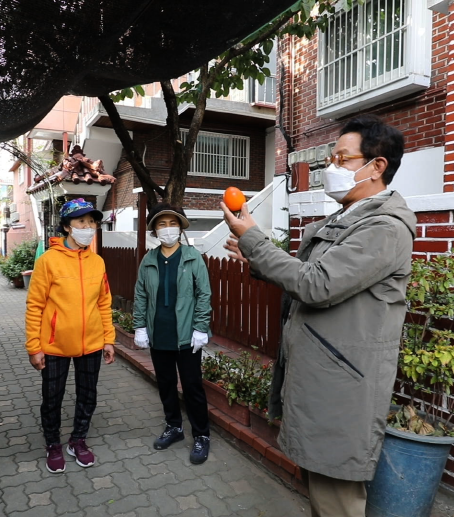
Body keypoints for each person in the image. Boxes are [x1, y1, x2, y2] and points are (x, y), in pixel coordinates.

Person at [221, 114, 416, 517]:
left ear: (377, 166)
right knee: (321, 489)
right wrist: (257, 257)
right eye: (331, 159)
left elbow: (316, 284)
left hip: (344, 385)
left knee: (336, 498)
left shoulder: (384, 228)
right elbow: (308, 276)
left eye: (342, 159)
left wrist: (254, 240)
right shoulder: (345, 219)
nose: (332, 168)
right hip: (324, 376)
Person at [24, 198, 116, 474]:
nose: (88, 227)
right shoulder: (48, 261)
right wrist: (34, 347)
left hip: (92, 343)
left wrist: (108, 339)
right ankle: (53, 443)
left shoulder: (98, 262)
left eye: (91, 222)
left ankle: (78, 440)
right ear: (67, 226)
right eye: (81, 222)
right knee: (52, 397)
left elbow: (104, 303)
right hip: (54, 345)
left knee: (88, 395)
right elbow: (35, 306)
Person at [132, 204, 213, 464]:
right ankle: (174, 427)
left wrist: (200, 327)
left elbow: (204, 294)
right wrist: (140, 326)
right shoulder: (149, 260)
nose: (168, 229)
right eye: (162, 224)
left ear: (180, 227)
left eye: (172, 223)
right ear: (155, 230)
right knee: (166, 385)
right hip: (160, 334)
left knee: (192, 386)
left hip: (187, 336)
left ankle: (201, 435)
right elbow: (141, 295)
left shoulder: (192, 257)